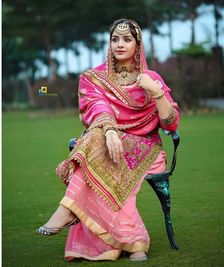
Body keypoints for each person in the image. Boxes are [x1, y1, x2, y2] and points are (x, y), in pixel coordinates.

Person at [36, 18, 180, 262]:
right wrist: (111, 131)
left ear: (138, 44)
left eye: (127, 39)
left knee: (99, 152)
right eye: (115, 39)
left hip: (145, 146)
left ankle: (69, 210)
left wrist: (156, 92)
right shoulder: (94, 77)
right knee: (97, 141)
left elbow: (170, 124)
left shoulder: (151, 77)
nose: (120, 44)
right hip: (106, 142)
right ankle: (134, 244)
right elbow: (96, 106)